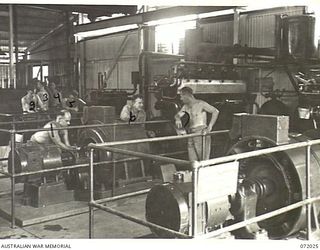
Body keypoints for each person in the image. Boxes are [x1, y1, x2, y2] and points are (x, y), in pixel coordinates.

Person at [175, 87, 219, 161]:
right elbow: (178, 115)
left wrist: (210, 127)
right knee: (193, 162)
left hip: (201, 134)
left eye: (181, 96)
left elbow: (215, 111)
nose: (181, 99)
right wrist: (177, 118)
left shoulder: (201, 104)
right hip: (191, 134)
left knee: (203, 161)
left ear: (187, 95)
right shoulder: (185, 107)